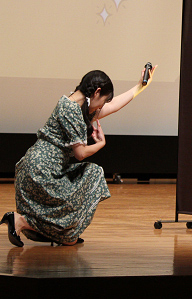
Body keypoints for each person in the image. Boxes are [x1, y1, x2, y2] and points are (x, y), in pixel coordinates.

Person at [1, 65, 156, 246]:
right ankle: (22, 222)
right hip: (42, 171)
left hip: (37, 167)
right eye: (103, 101)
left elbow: (113, 106)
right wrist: (100, 144)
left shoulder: (76, 105)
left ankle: (62, 234)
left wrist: (140, 86)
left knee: (85, 181)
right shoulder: (72, 109)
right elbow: (81, 154)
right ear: (97, 92)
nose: (103, 106)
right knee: (94, 174)